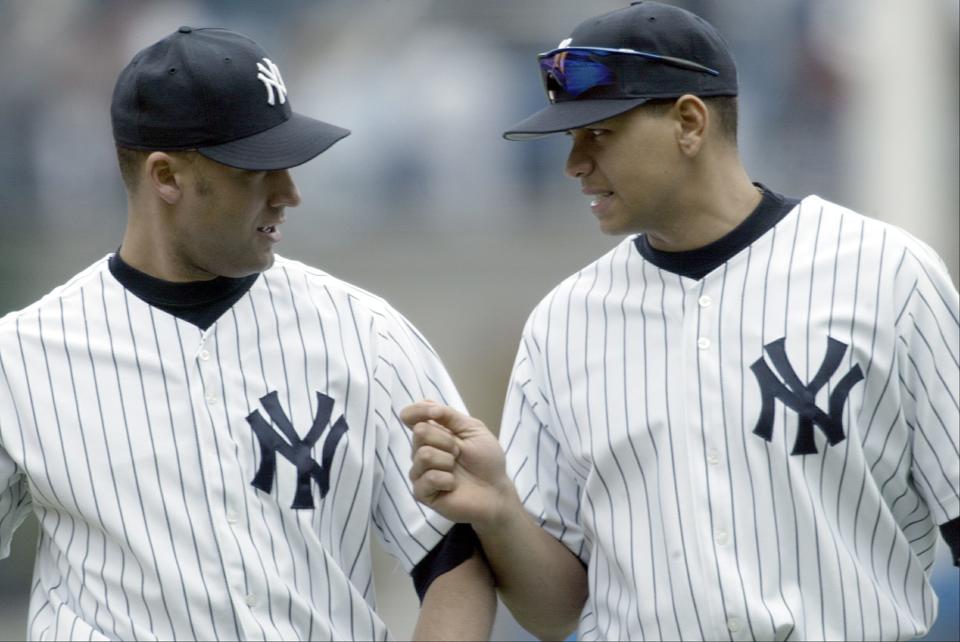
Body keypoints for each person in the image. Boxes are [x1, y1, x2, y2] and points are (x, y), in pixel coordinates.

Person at [401, 2, 960, 640]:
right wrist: (500, 507)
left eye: (598, 133)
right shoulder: (562, 323)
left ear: (689, 122)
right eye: (570, 138)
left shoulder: (887, 273)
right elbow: (555, 612)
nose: (574, 163)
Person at [0, 27, 494, 641]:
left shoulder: (367, 333)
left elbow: (455, 554)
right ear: (165, 176)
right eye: (256, 169)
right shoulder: (20, 357)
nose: (290, 193)